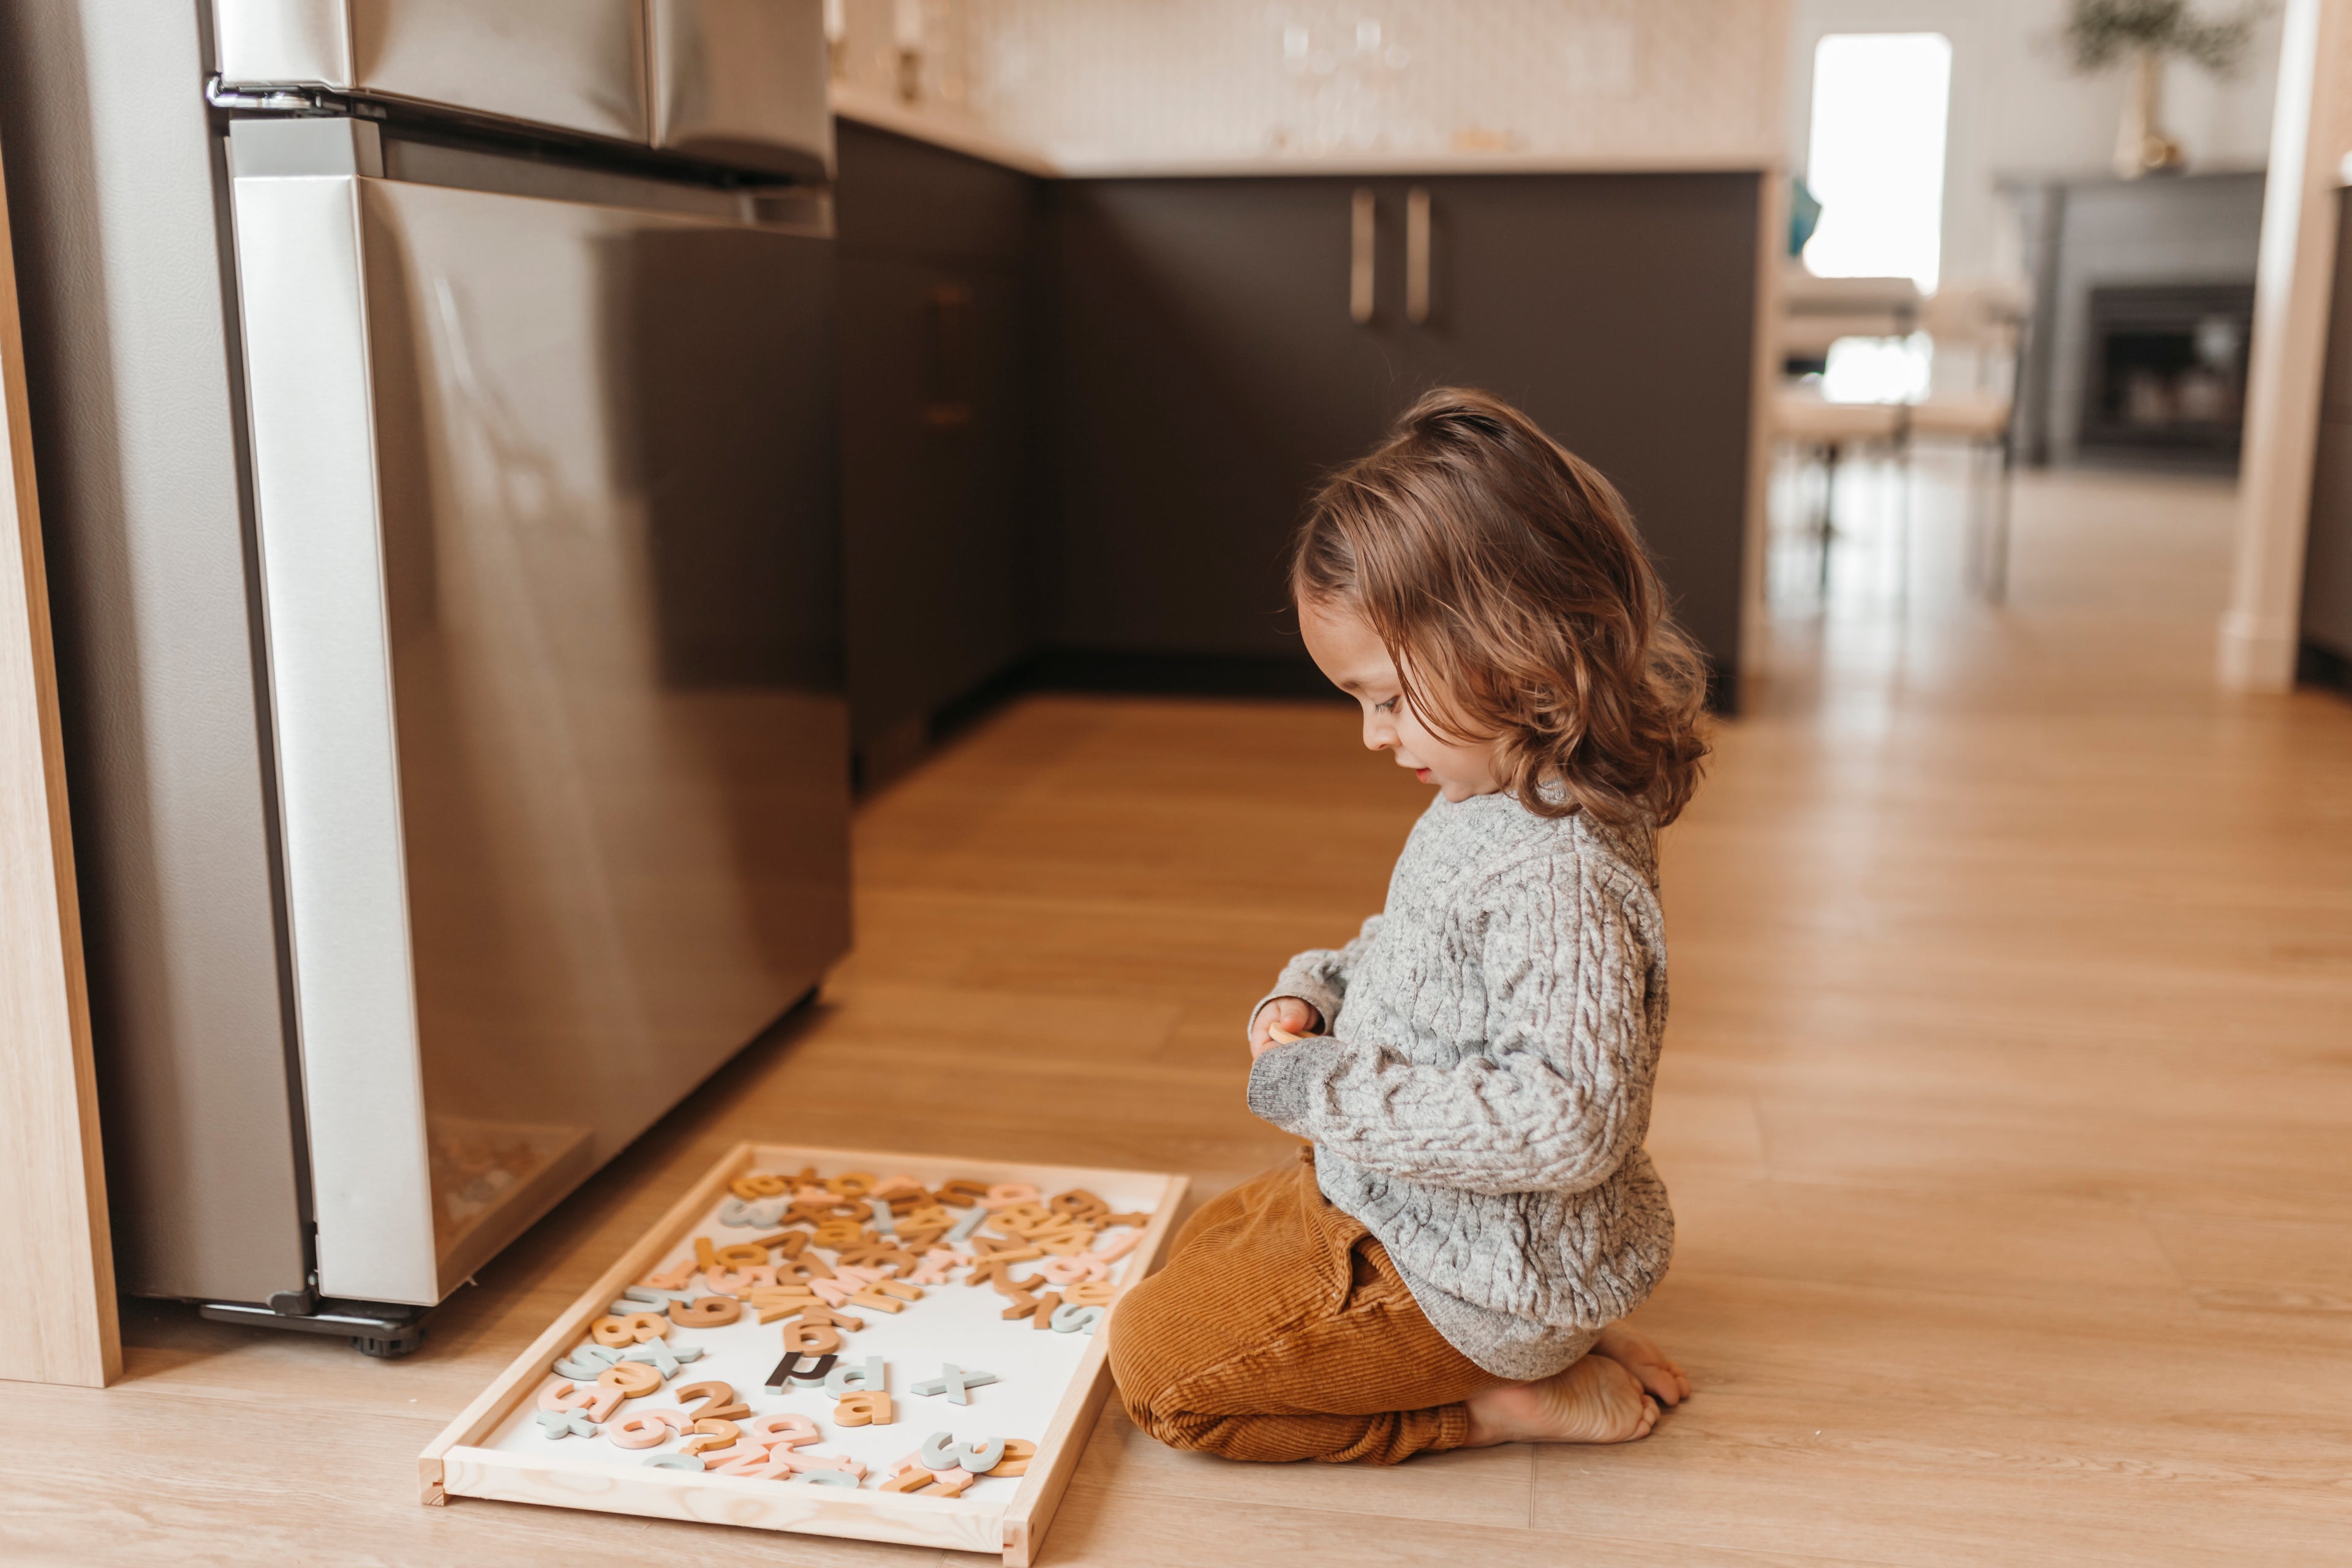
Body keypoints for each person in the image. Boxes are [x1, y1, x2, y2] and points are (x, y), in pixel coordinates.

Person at [1107, 388, 1709, 1463]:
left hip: (1479, 1275)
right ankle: (1521, 1346)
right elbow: (1413, 946)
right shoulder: (1487, 799)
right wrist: (1320, 991)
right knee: (1198, 1250)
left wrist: (1325, 1089)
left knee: (1162, 1375)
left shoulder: (1559, 878)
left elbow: (1566, 1121)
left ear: (1514, 645)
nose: (1373, 735)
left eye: (1384, 698)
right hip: (1419, 1209)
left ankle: (1496, 1400)